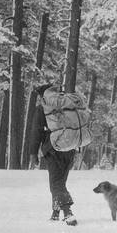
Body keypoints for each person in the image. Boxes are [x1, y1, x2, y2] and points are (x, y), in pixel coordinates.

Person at [25, 83, 77, 225]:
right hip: (70, 148)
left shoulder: (43, 108)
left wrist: (33, 153)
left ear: (43, 95)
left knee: (56, 184)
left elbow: (36, 131)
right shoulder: (67, 105)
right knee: (60, 182)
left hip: (53, 149)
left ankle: (68, 213)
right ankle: (55, 213)